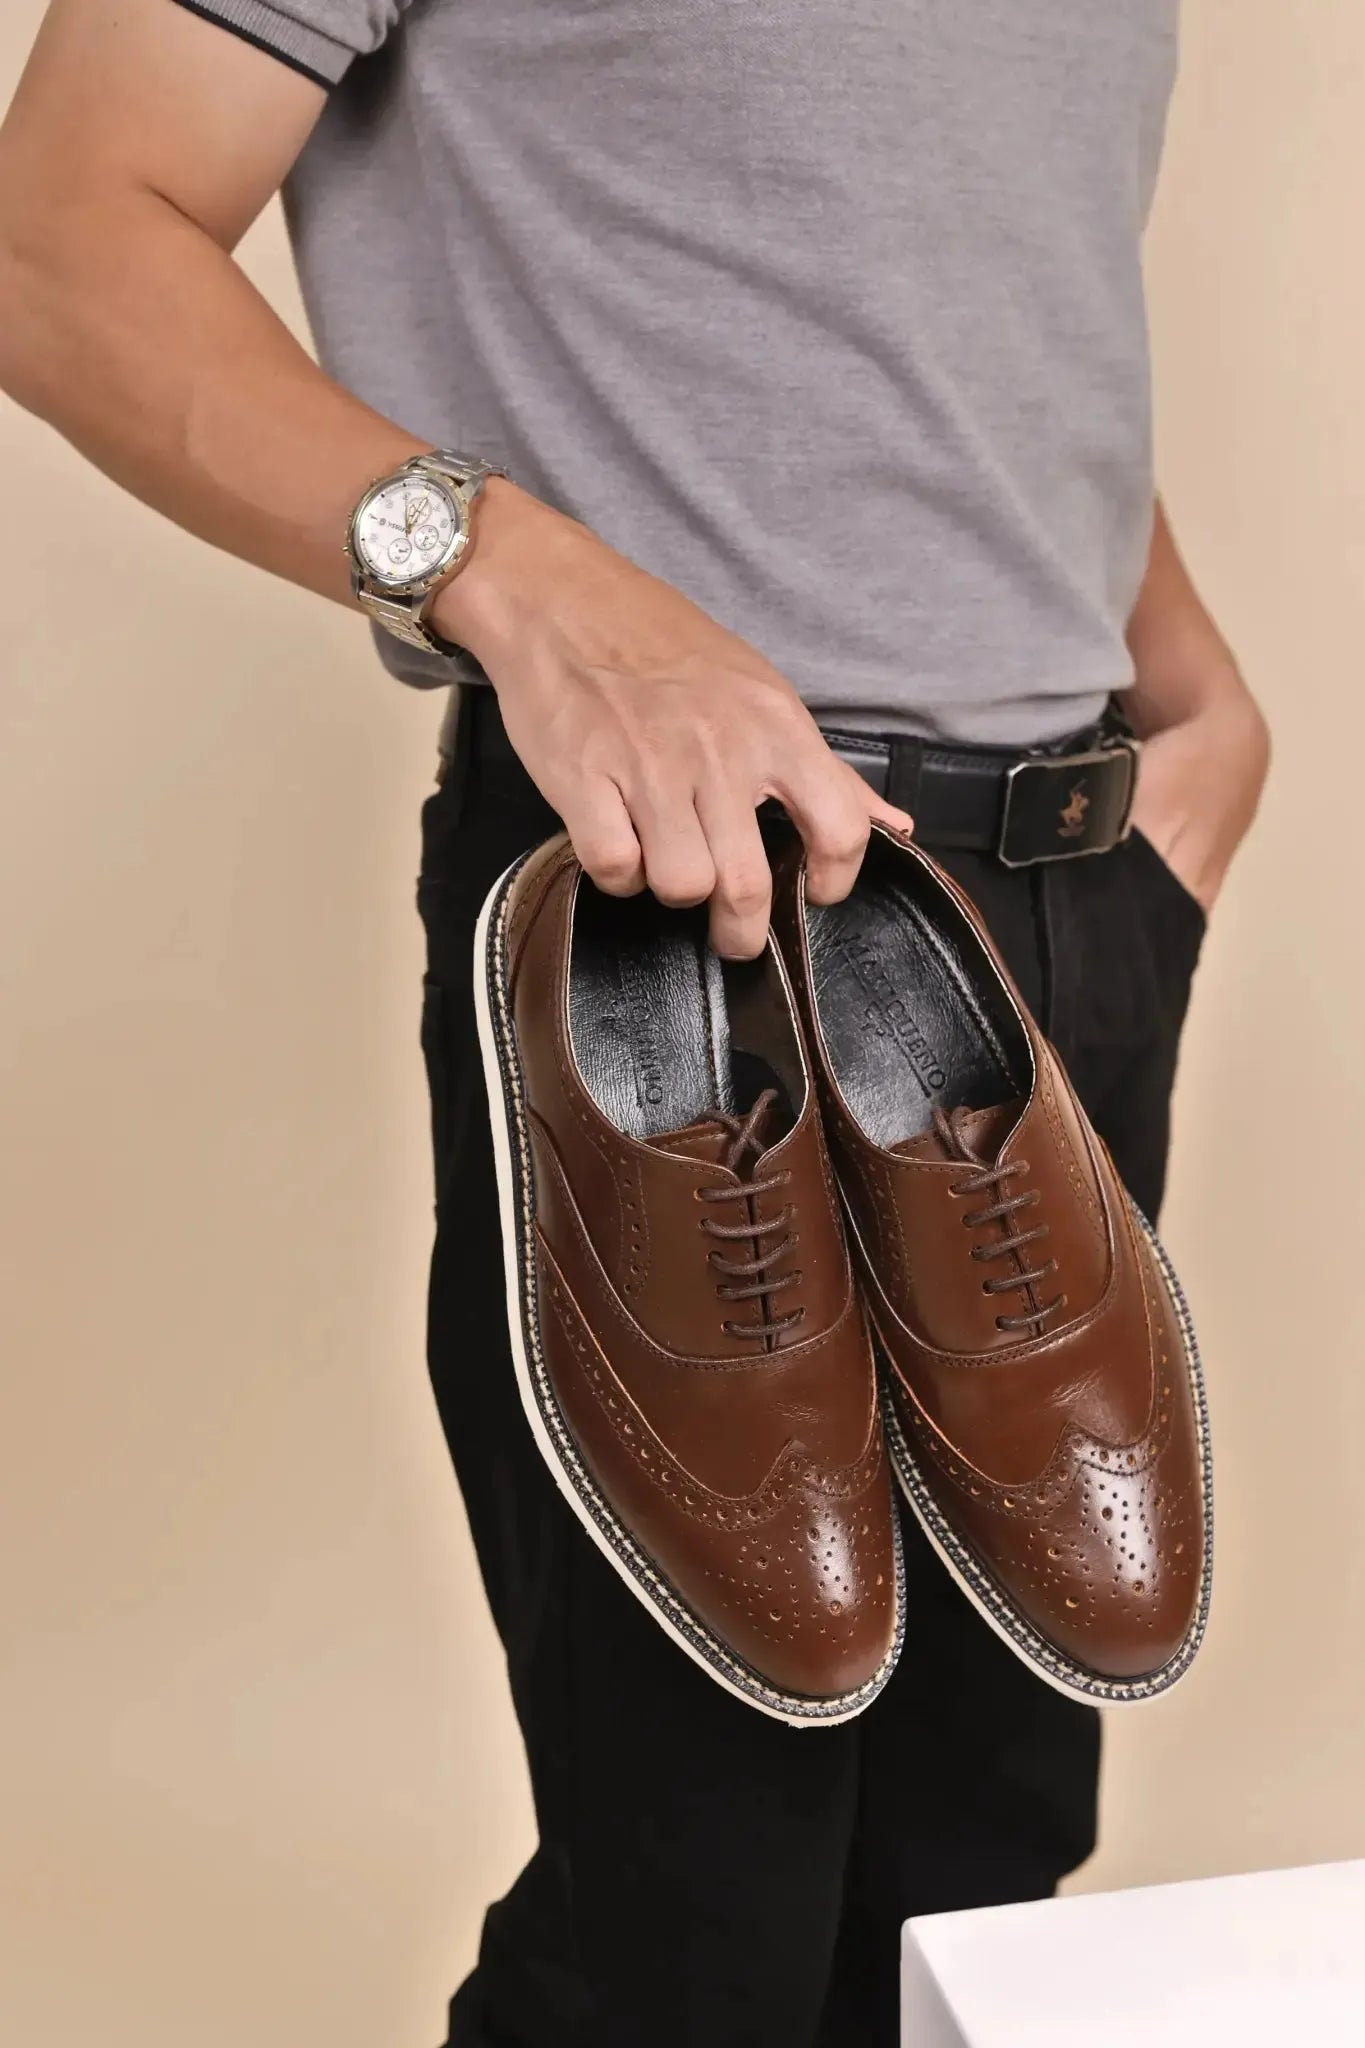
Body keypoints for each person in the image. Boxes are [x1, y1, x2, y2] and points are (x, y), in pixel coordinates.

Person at [0, 2, 1270, 2041]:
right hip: (676, 930)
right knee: (690, 1928)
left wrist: (1181, 691)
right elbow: (57, 230)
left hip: (1048, 932)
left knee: (976, 1877)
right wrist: (520, 582)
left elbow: (940, 287)